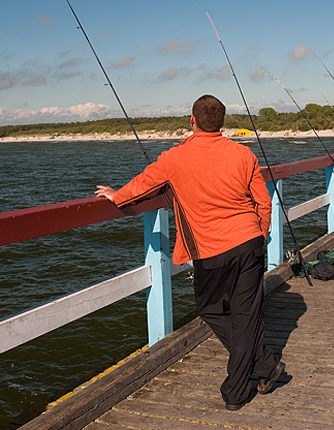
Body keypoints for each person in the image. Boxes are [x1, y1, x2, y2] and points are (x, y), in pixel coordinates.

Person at [95, 95, 284, 410]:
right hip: (250, 242)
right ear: (222, 123)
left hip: (212, 250)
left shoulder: (174, 158)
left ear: (192, 120)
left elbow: (142, 185)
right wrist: (260, 234)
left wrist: (117, 196)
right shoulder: (244, 154)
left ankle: (237, 391)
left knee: (211, 309)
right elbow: (262, 202)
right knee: (245, 316)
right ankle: (263, 365)